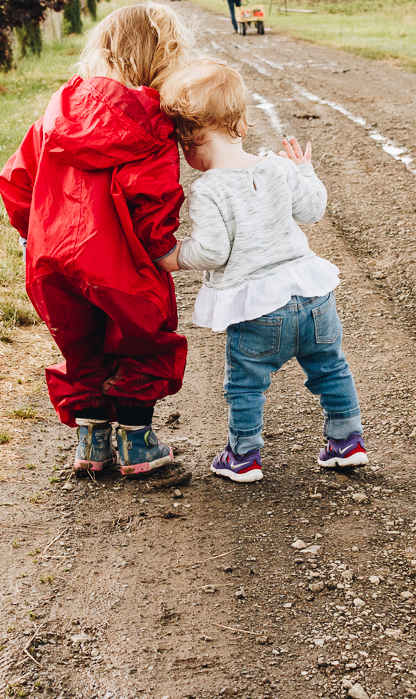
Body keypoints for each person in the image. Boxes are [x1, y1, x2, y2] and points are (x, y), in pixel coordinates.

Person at [0, 2, 193, 476]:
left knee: (80, 345)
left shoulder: (59, 109)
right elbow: (151, 199)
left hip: (51, 259)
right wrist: (163, 249)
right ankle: (137, 447)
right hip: (119, 261)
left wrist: (33, 234)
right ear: (162, 60)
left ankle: (91, 444)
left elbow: (18, 179)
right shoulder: (150, 123)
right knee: (141, 342)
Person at [157, 59, 367, 483]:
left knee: (246, 384)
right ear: (242, 124)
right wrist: (304, 169)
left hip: (258, 309)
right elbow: (313, 209)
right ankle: (347, 443)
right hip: (313, 298)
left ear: (193, 140)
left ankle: (244, 456)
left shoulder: (208, 189)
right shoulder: (275, 165)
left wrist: (174, 256)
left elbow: (213, 252)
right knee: (331, 368)